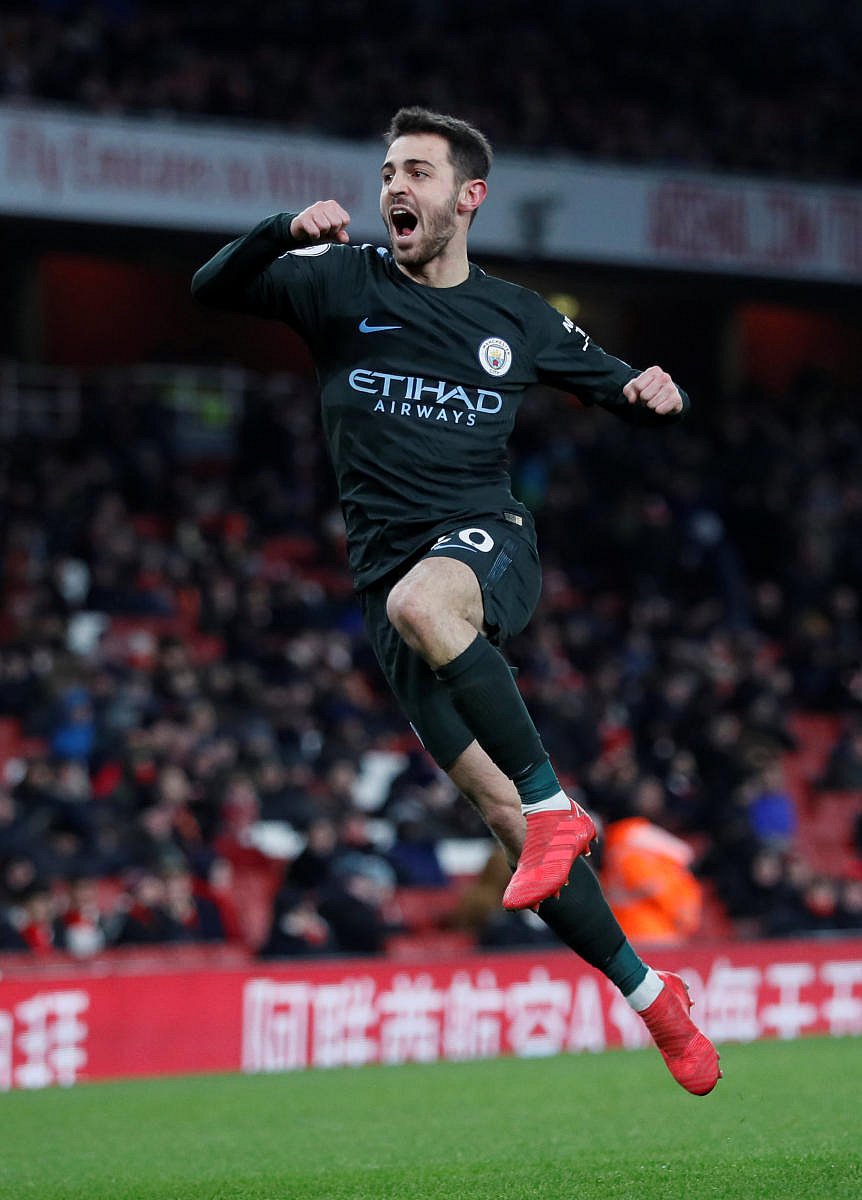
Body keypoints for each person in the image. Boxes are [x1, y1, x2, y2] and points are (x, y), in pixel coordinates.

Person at [192, 106, 720, 1095]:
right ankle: (656, 1000)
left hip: (486, 554)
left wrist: (663, 393)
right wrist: (276, 231)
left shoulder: (515, 316)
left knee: (428, 611)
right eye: (389, 169)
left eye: (419, 172)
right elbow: (210, 288)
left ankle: (556, 803)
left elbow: (630, 387)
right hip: (388, 590)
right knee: (511, 833)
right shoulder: (341, 282)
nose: (396, 186)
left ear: (466, 198)